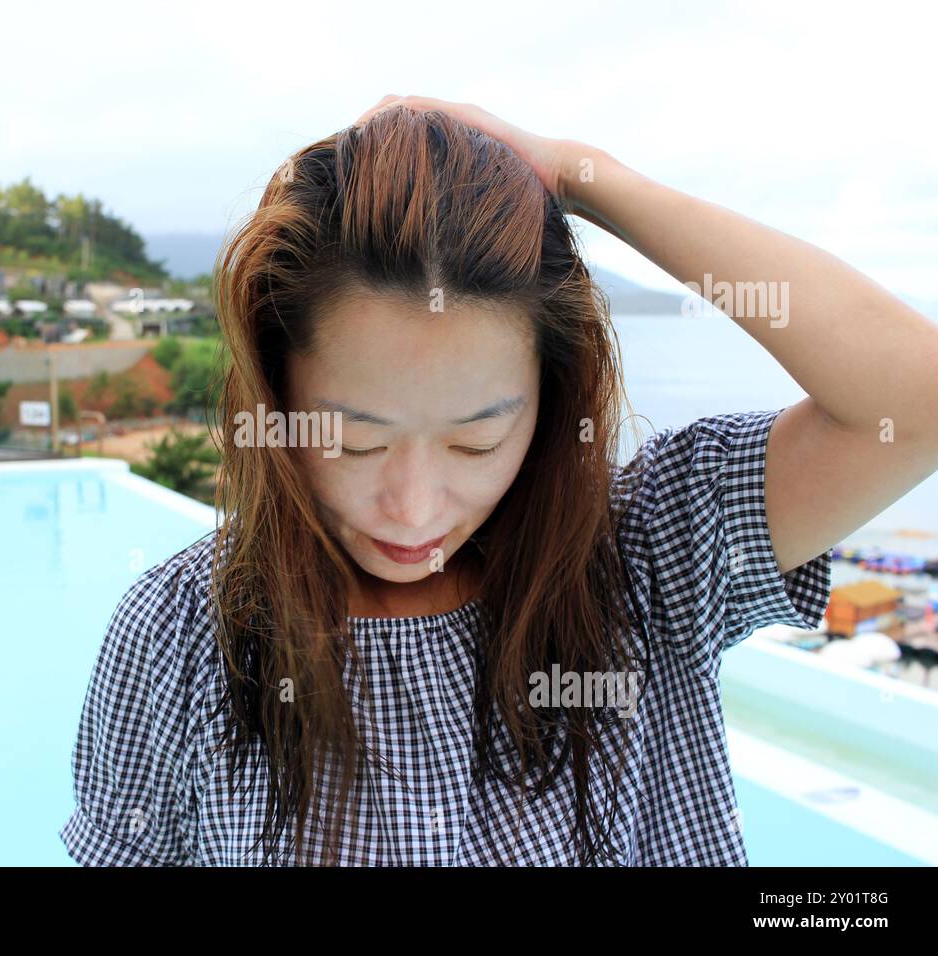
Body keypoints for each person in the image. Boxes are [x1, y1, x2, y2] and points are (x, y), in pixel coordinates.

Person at [59, 96, 938, 866]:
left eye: (477, 443)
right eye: (355, 443)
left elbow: (915, 400)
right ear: (275, 391)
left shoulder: (647, 558)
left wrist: (580, 176)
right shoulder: (177, 636)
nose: (412, 508)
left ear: (550, 405)